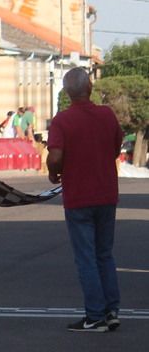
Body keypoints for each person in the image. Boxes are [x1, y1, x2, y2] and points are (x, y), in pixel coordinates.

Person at [46, 67, 125, 333]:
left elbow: (56, 156)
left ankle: (94, 316)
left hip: (79, 197)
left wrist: (53, 171)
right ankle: (112, 310)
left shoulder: (62, 121)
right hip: (106, 194)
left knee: (86, 258)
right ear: (89, 88)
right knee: (105, 254)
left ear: (67, 93)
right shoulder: (107, 115)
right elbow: (116, 146)